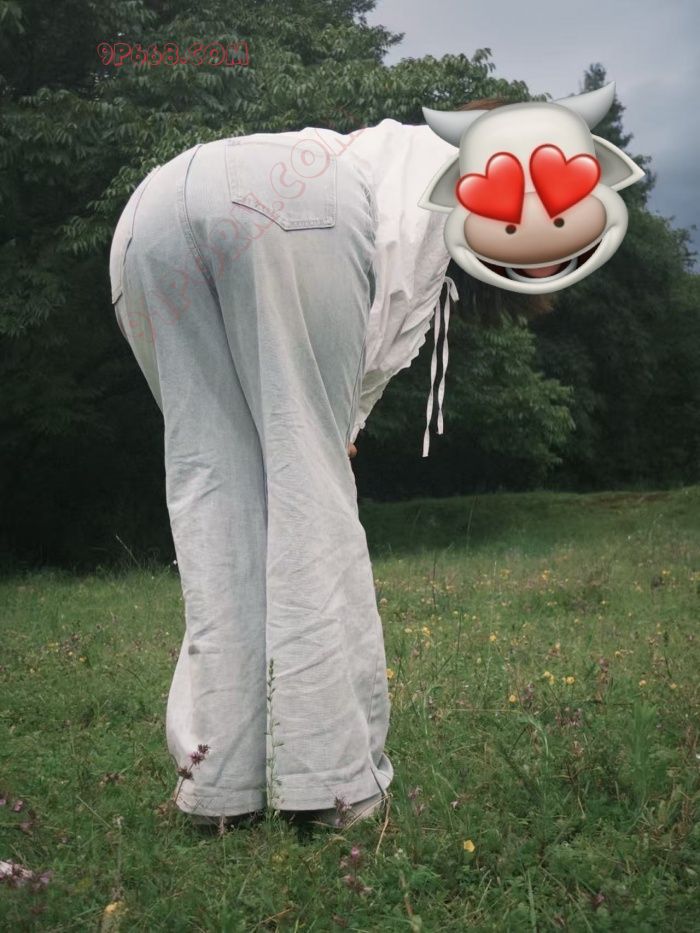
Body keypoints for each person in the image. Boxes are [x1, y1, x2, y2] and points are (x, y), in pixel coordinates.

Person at [108, 103, 493, 828]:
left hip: (150, 211)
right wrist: (336, 426)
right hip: (292, 206)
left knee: (213, 490)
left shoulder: (392, 148)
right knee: (307, 492)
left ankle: (218, 788)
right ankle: (330, 786)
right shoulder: (461, 175)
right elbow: (388, 292)